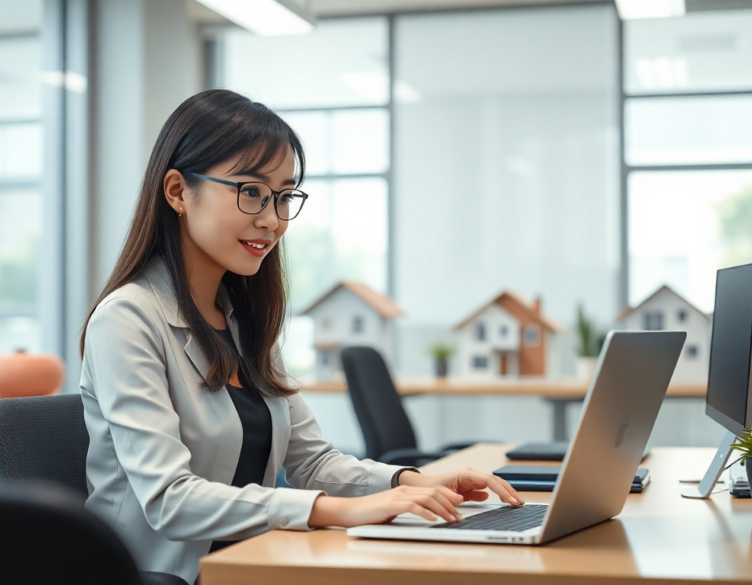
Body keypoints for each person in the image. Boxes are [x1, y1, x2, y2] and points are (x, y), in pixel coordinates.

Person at [79, 89, 523, 584]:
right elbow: (170, 500)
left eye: (284, 196)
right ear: (179, 191)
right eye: (251, 191)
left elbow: (312, 460)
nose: (272, 219)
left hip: (253, 564)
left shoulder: (242, 321)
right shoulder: (126, 319)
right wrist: (340, 511)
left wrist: (410, 481)